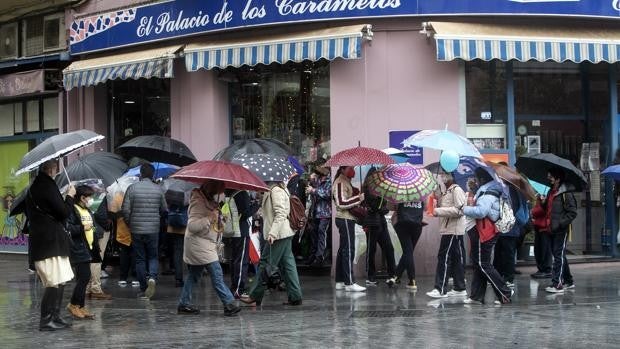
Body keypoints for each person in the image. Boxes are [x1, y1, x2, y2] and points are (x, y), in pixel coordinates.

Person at [177, 180, 241, 316]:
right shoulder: (198, 202)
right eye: (219, 191)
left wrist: (220, 218)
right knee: (217, 274)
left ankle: (184, 303)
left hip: (205, 245)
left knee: (194, 276)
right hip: (199, 245)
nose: (221, 194)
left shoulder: (210, 201)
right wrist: (210, 218)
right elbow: (192, 226)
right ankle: (229, 303)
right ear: (213, 189)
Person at [25, 159, 75, 331]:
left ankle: (55, 316)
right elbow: (63, 212)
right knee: (54, 281)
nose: (57, 171)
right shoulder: (45, 186)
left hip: (49, 242)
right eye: (56, 168)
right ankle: (46, 320)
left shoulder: (39, 185)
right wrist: (69, 196)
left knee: (60, 280)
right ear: (52, 169)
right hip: (49, 242)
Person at [240, 180, 303, 306]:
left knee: (265, 263)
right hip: (284, 233)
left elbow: (280, 214)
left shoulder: (275, 190)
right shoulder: (276, 189)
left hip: (278, 234)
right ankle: (295, 296)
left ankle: (254, 295)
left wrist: (272, 233)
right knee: (287, 265)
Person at [462, 168, 513, 305]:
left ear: (482, 180)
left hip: (484, 232)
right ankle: (476, 296)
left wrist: (463, 209)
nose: (475, 181)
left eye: (476, 178)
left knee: (483, 264)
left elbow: (481, 212)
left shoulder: (488, 193)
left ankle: (505, 292)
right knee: (478, 264)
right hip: (484, 231)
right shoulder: (487, 191)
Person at [122, 163, 167, 299]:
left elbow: (125, 210)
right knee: (153, 256)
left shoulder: (131, 188)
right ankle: (152, 277)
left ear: (140, 174)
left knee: (140, 259)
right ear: (153, 174)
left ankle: (143, 288)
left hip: (136, 229)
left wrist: (130, 223)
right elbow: (164, 209)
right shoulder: (158, 189)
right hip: (153, 229)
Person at [531, 167, 577, 293]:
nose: (548, 178)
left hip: (560, 230)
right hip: (550, 228)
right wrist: (543, 202)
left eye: (551, 176)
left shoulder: (566, 193)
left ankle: (557, 284)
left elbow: (572, 213)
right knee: (559, 255)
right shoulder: (552, 191)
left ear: (558, 178)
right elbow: (549, 209)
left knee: (558, 256)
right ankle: (568, 280)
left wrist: (560, 224)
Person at [426, 172, 467, 298]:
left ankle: (440, 288)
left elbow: (460, 210)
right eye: (442, 174)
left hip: (452, 230)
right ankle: (460, 287)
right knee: (455, 259)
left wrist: (438, 211)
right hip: (447, 229)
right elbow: (444, 206)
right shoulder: (447, 191)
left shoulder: (456, 190)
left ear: (451, 176)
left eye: (445, 174)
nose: (443, 177)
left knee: (444, 257)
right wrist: (437, 194)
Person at [66, 185, 99, 320]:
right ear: (82, 197)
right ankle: (73, 304)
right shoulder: (73, 210)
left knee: (84, 278)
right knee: (84, 277)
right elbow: (68, 228)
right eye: (89, 197)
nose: (91, 199)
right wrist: (82, 227)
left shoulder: (87, 210)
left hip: (88, 247)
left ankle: (80, 306)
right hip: (78, 248)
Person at [332, 166, 366, 292]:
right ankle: (349, 282)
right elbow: (341, 203)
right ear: (342, 170)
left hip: (346, 219)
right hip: (345, 219)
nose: (353, 170)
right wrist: (359, 198)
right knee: (349, 249)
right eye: (350, 168)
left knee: (343, 250)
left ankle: (340, 280)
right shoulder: (341, 182)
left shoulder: (345, 182)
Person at [222, 189, 259, 298]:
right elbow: (246, 213)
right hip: (241, 231)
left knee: (234, 260)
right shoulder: (242, 194)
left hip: (232, 231)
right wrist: (256, 205)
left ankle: (234, 286)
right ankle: (239, 289)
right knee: (242, 261)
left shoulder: (229, 192)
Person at [363, 183, 396, 287]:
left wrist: (383, 206)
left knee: (389, 248)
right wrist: (381, 206)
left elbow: (384, 208)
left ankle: (392, 275)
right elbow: (374, 207)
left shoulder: (381, 190)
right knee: (371, 250)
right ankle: (370, 276)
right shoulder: (368, 190)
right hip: (372, 223)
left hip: (381, 222)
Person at [494, 186, 527, 288]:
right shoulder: (513, 191)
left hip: (509, 227)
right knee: (499, 253)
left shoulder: (513, 191)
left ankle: (508, 278)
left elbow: (512, 209)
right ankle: (499, 277)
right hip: (504, 227)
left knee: (508, 254)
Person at [392, 199, 424, 290]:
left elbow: (394, 208)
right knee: (408, 253)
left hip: (403, 225)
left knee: (407, 252)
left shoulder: (401, 196)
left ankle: (412, 280)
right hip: (417, 227)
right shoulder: (420, 196)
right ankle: (397, 276)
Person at [305, 166, 332, 267]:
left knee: (322, 231)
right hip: (316, 212)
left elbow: (327, 194)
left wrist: (313, 191)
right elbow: (312, 188)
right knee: (313, 232)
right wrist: (310, 180)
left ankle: (320, 256)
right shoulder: (318, 180)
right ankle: (314, 255)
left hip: (325, 212)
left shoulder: (329, 181)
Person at [87, 196, 113, 300]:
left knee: (90, 259)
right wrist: (107, 224)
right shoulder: (101, 197)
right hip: (100, 231)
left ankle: (87, 288)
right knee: (96, 260)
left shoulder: (81, 196)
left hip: (89, 230)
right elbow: (101, 215)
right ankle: (95, 289)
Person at [165, 189, 189, 288]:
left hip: (174, 225)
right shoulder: (190, 190)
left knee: (177, 252)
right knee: (190, 251)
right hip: (187, 225)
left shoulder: (170, 189)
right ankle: (193, 276)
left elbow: (166, 206)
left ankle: (178, 279)